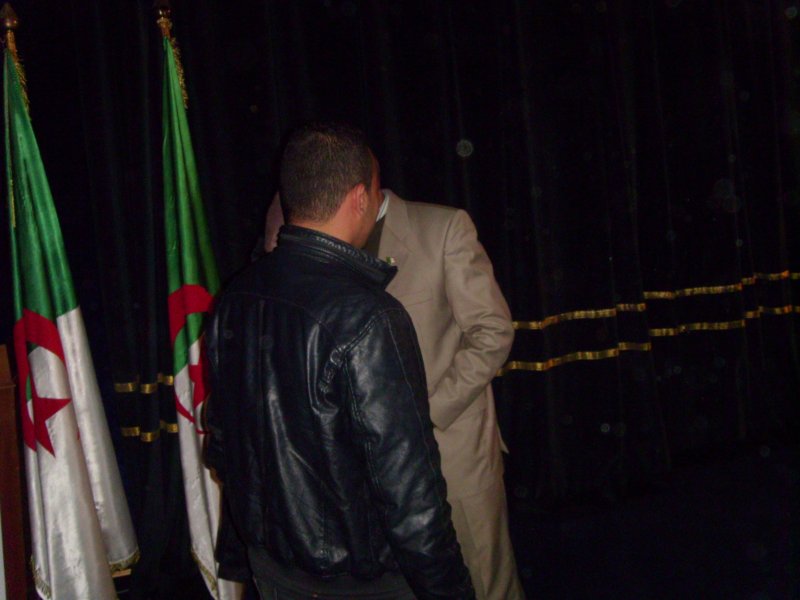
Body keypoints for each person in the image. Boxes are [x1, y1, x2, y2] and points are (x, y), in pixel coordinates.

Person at [204, 122, 474, 600]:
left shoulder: (237, 294)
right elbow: (410, 495)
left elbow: (223, 442)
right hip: (357, 582)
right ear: (359, 198)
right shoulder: (368, 316)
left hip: (272, 566)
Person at [261, 188, 524, 600]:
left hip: (451, 450)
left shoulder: (442, 228)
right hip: (367, 469)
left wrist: (425, 415)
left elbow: (493, 332)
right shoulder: (319, 242)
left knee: (485, 583)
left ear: (359, 188)